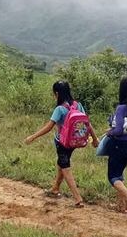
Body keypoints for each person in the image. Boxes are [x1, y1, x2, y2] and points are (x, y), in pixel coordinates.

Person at [25, 80, 99, 208]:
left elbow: (49, 127)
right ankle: (55, 189)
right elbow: (87, 123)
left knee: (65, 167)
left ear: (57, 93)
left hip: (62, 143)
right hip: (75, 142)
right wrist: (95, 138)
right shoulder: (78, 105)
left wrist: (33, 136)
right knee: (62, 163)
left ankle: (77, 198)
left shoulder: (59, 109)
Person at [105, 77, 127, 217]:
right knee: (119, 173)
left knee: (113, 176)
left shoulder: (121, 108)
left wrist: (110, 132)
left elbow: (118, 130)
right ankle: (122, 205)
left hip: (119, 144)